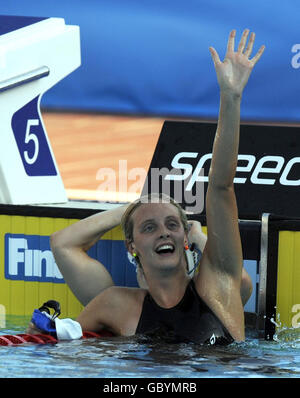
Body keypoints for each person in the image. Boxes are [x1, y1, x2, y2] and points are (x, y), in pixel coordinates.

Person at [32, 29, 264, 344]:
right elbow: (69, 351)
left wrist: (231, 97)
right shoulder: (115, 305)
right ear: (132, 246)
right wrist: (42, 338)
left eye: (171, 224)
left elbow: (221, 187)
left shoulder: (218, 285)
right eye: (149, 228)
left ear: (185, 239)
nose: (164, 232)